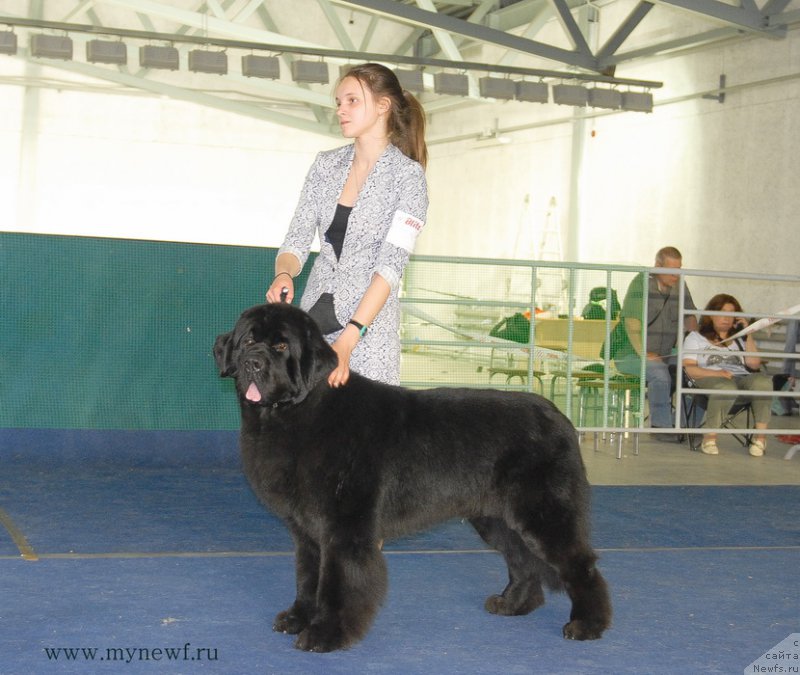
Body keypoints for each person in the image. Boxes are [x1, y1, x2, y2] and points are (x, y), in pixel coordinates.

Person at [265, 63, 428, 388]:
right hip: (313, 325)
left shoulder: (408, 178)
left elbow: (390, 269)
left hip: (368, 333)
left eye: (352, 100)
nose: (341, 109)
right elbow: (296, 239)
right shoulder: (325, 166)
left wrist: (350, 339)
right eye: (339, 102)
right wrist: (284, 272)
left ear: (383, 106)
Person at [610, 246, 697, 441]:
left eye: (679, 269)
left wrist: (696, 352)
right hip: (631, 355)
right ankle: (661, 427)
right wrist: (643, 353)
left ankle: (683, 425)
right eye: (671, 270)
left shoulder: (680, 285)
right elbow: (632, 322)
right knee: (659, 374)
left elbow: (690, 319)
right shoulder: (641, 283)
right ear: (657, 265)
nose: (676, 275)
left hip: (666, 353)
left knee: (693, 371)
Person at [682, 294, 772, 456]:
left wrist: (748, 333)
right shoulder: (695, 337)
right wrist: (717, 373)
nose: (727, 318)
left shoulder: (740, 339)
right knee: (725, 386)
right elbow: (689, 369)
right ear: (711, 315)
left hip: (740, 379)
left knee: (763, 382)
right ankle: (709, 439)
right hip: (709, 379)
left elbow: (754, 364)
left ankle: (760, 439)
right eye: (723, 313)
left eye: (731, 314)